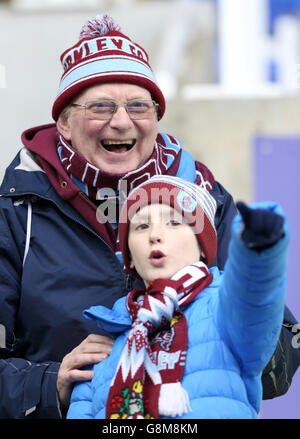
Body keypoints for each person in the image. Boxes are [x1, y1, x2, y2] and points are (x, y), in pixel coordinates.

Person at [0, 13, 298, 419]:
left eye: (138, 105)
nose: (121, 121)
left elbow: (277, 346)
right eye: (100, 106)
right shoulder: (17, 211)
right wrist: (52, 384)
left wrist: (196, 353)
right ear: (65, 124)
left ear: (156, 119)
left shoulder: (202, 196)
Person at [67, 175, 289, 419]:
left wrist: (257, 250)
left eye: (173, 222)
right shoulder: (110, 335)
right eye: (141, 226)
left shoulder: (225, 307)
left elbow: (254, 296)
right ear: (129, 256)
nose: (155, 235)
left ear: (203, 247)